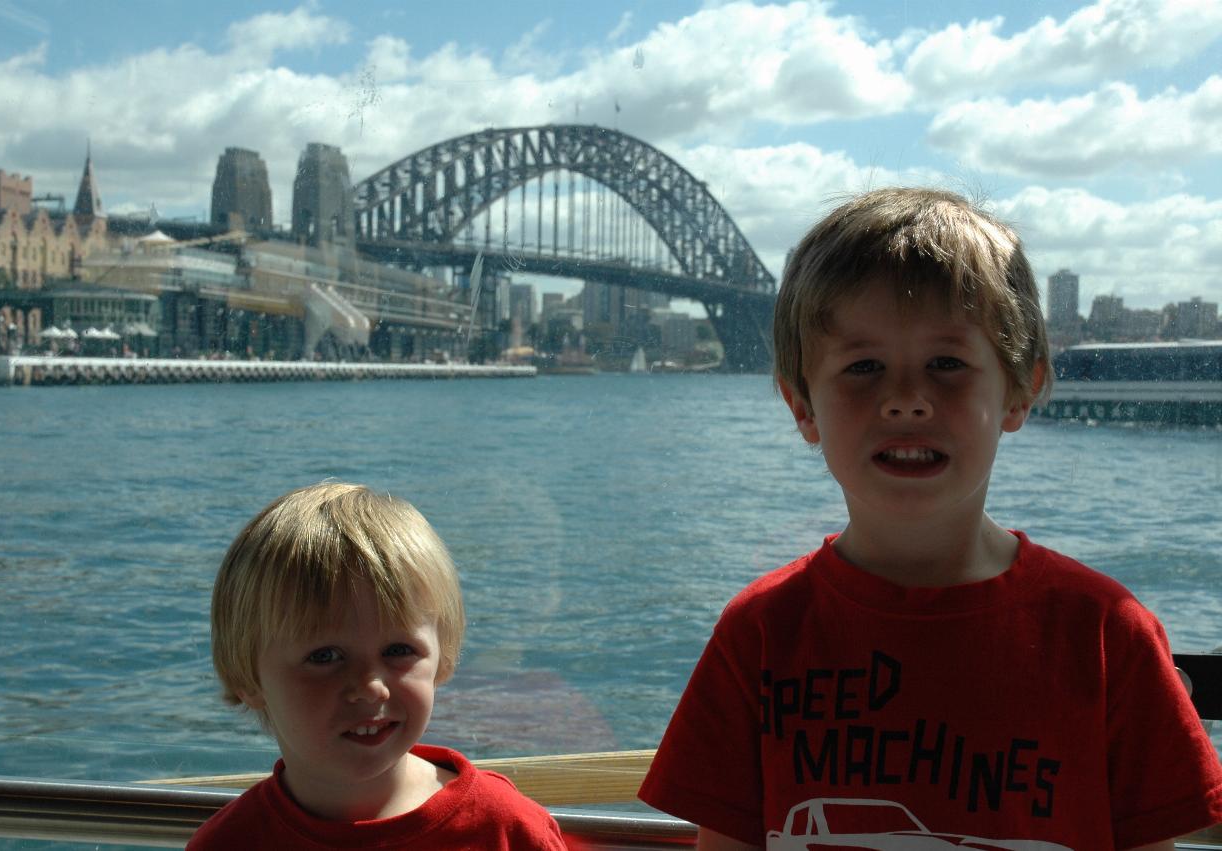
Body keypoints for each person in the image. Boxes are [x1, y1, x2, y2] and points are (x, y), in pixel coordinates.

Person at [638, 188, 1222, 850]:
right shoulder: (758, 636)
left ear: (1020, 389)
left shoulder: (1109, 637)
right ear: (802, 405)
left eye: (947, 364)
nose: (907, 399)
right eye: (864, 367)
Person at [189, 482, 569, 850]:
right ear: (248, 677)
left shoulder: (506, 830)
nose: (371, 686)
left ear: (443, 657)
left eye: (399, 650)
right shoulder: (228, 843)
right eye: (325, 657)